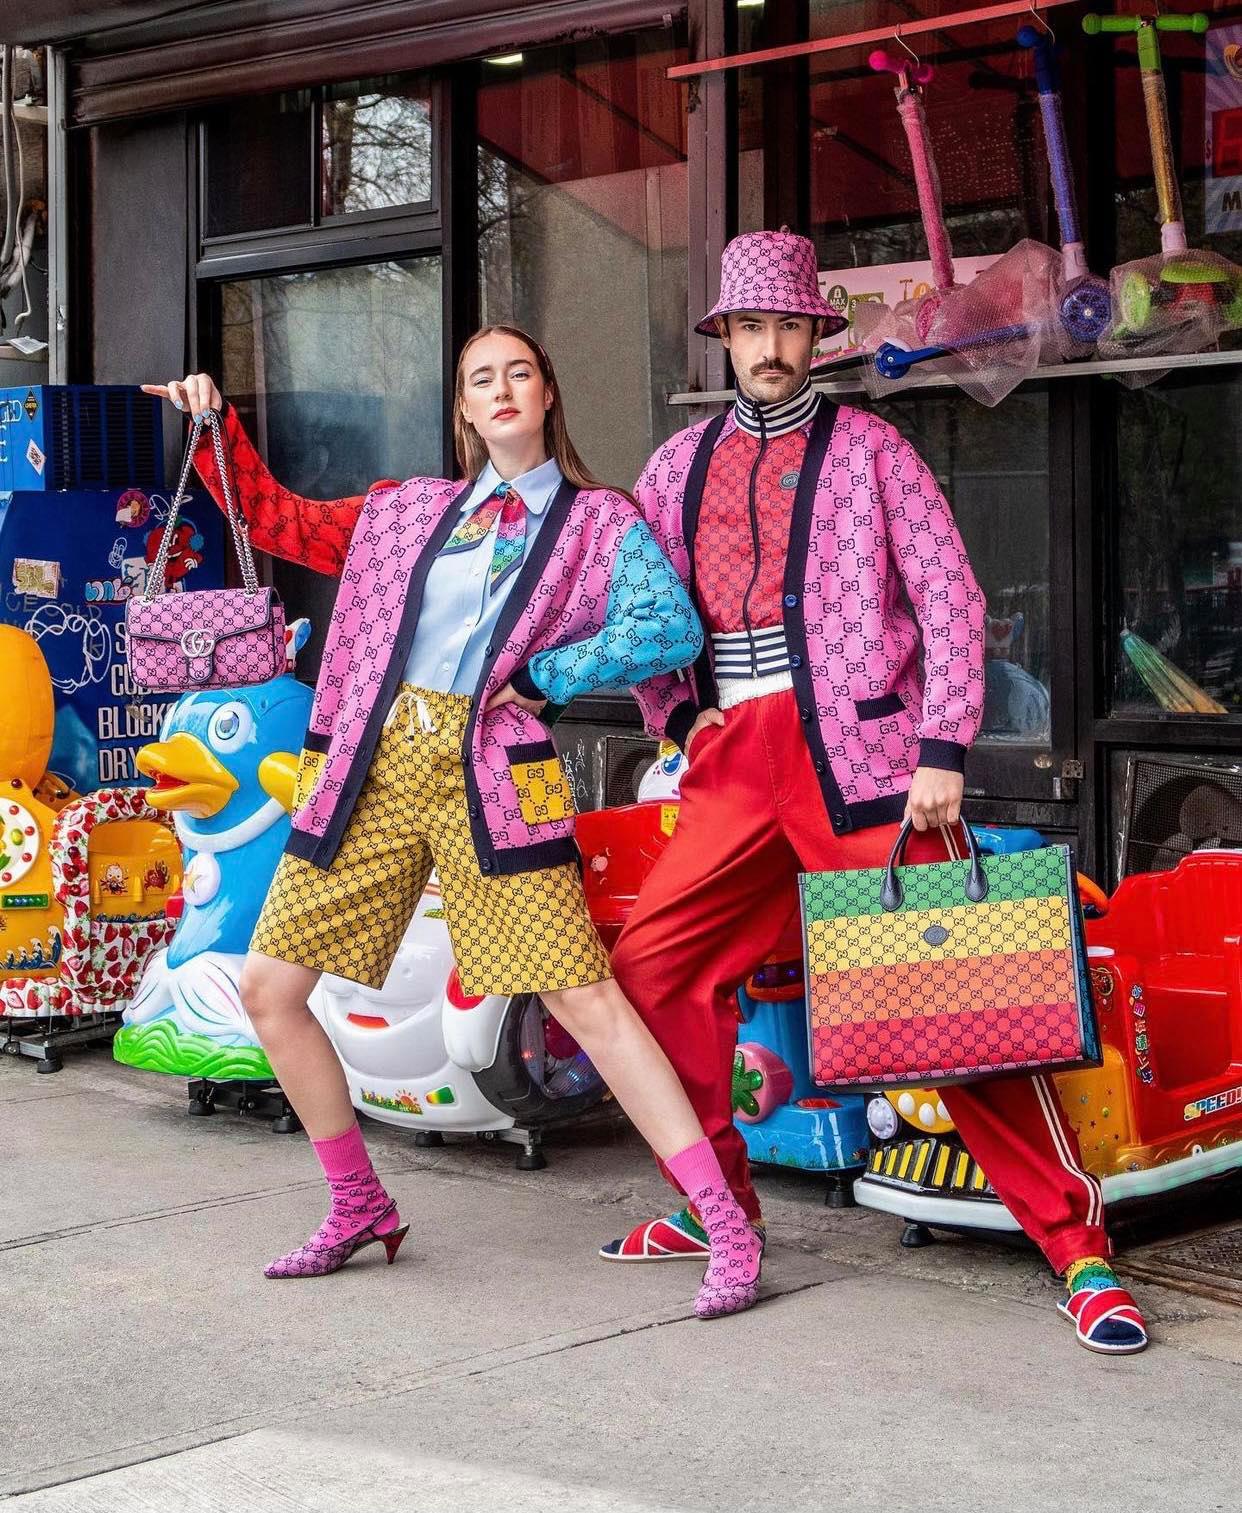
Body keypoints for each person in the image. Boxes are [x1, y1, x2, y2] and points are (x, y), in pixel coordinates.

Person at [141, 325, 764, 1318]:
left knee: (584, 1000)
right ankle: (358, 1203)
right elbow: (278, 521)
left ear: (548, 393)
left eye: (519, 371)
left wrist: (546, 673)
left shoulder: (599, 521)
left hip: (496, 771)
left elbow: (667, 627)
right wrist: (220, 426)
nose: (502, 388)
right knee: (269, 988)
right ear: (465, 411)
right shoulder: (406, 513)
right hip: (371, 762)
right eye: (482, 379)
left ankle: (724, 1221)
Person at [605, 231, 1148, 1356]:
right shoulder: (672, 468)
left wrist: (944, 746)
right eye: (747, 328)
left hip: (865, 765)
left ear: (814, 336)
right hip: (728, 760)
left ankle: (1076, 1245)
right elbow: (640, 608)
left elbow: (951, 596)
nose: (766, 346)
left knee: (962, 997)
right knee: (650, 968)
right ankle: (718, 1199)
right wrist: (673, 713)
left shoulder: (873, 450)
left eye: (785, 326)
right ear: (727, 339)